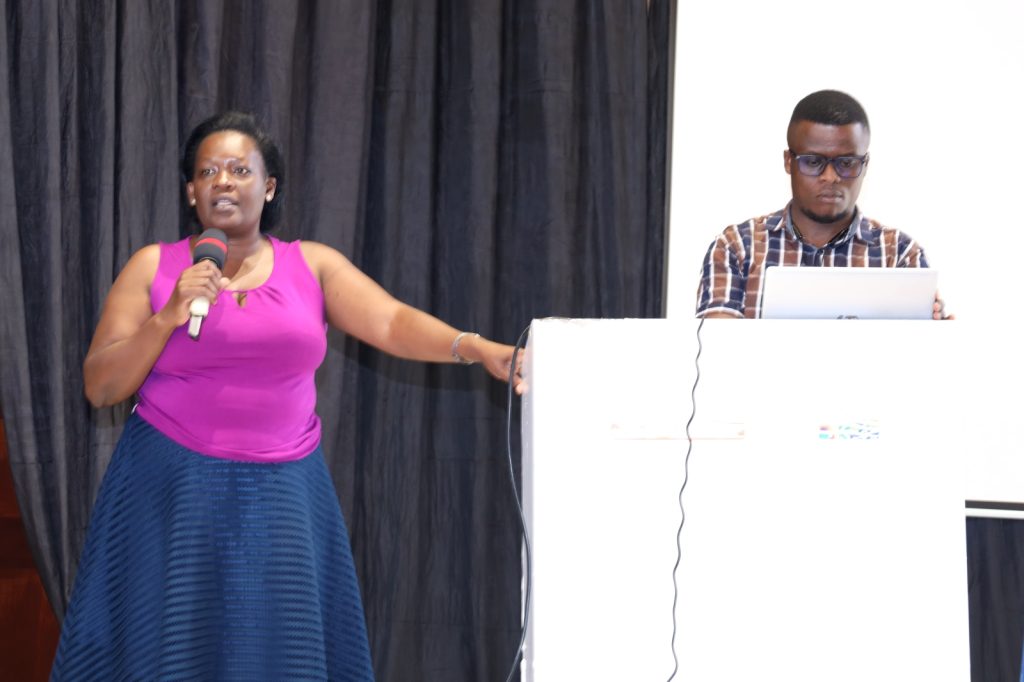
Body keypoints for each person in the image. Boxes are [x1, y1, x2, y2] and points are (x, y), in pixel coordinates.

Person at [50, 111, 522, 681]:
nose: (222, 181)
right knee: (165, 654)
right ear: (191, 191)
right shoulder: (156, 267)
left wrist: (477, 347)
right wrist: (169, 315)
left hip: (282, 493)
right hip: (169, 492)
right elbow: (101, 385)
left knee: (277, 655)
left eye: (239, 169)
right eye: (207, 172)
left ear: (267, 186)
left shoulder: (312, 265)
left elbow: (392, 322)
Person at [695, 89, 950, 320]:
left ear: (865, 165)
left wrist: (937, 342)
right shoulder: (738, 248)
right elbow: (718, 352)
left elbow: (918, 362)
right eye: (814, 162)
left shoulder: (900, 255)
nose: (831, 177)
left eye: (847, 162)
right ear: (788, 162)